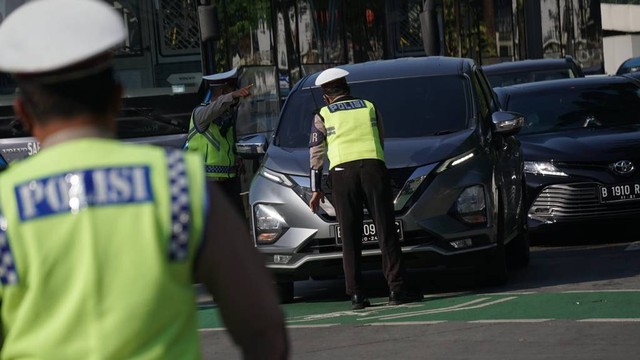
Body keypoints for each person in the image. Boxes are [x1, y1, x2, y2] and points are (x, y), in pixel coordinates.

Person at [0, 1, 288, 359]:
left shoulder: (6, 204)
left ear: (23, 113)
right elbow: (262, 326)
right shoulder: (177, 183)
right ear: (117, 98)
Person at [308, 67, 423, 310]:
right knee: (385, 230)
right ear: (347, 88)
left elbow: (316, 152)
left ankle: (357, 295)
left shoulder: (323, 113)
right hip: (373, 169)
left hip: (341, 175)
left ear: (326, 95)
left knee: (350, 235)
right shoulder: (369, 106)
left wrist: (315, 189)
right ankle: (397, 288)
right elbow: (380, 138)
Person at [185, 68, 253, 217]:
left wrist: (237, 159)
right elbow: (214, 108)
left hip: (229, 182)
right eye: (230, 90)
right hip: (207, 183)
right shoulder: (200, 114)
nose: (234, 96)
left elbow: (225, 145)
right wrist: (232, 95)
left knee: (238, 222)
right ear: (223, 92)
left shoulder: (225, 115)